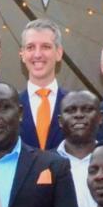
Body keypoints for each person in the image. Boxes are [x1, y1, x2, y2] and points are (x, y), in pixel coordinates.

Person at [18, 18, 66, 150]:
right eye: (30, 47)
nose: (37, 54)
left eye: (46, 47)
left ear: (59, 53)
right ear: (22, 54)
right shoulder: (10, 105)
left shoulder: (75, 105)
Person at [56, 89, 103, 207]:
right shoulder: (43, 164)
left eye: (87, 109)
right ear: (60, 121)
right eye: (71, 110)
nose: (78, 115)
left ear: (100, 118)